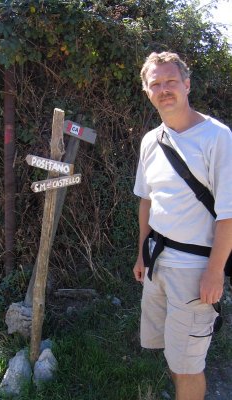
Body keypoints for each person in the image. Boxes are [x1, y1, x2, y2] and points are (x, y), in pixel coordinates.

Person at [133, 51, 232, 400]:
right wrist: (141, 254)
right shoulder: (150, 141)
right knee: (173, 354)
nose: (164, 89)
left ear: (187, 84)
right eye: (155, 84)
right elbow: (147, 200)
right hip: (158, 264)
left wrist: (215, 272)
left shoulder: (217, 138)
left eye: (171, 81)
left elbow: (228, 214)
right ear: (147, 91)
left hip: (195, 271)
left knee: (189, 365)